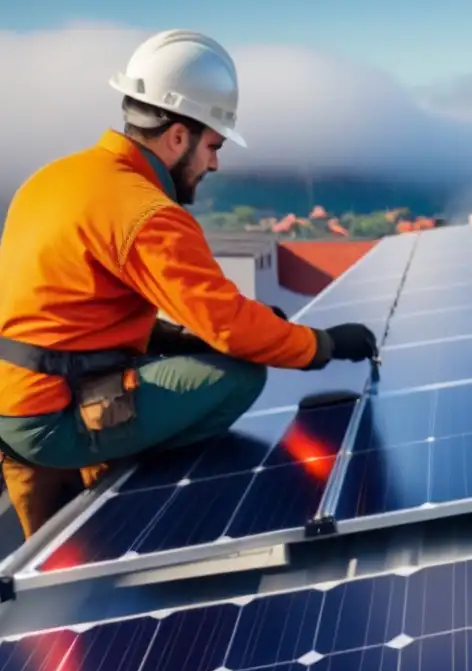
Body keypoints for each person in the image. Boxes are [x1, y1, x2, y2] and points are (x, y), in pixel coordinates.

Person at [0, 30, 378, 541]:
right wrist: (325, 346)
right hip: (51, 419)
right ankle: (132, 477)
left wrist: (179, 339)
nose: (215, 164)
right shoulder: (147, 212)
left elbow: (68, 312)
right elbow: (230, 328)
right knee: (241, 375)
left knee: (201, 354)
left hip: (15, 405)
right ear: (178, 136)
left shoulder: (56, 178)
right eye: (213, 145)